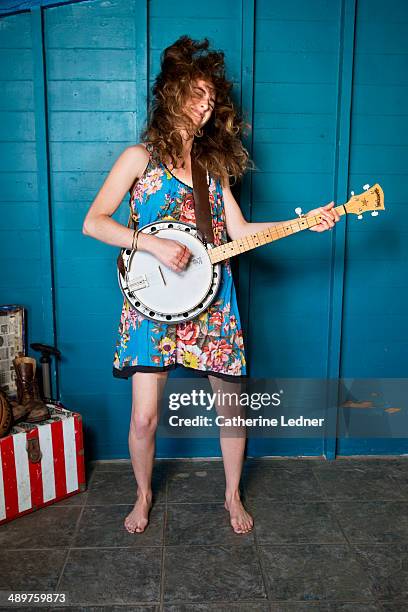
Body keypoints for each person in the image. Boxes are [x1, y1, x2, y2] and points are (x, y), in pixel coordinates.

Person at [82, 36, 340, 535]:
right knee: (143, 420)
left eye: (211, 100)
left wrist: (303, 223)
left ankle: (231, 494)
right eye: (197, 95)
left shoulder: (211, 170)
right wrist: (152, 246)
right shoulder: (138, 158)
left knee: (232, 408)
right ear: (174, 95)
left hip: (212, 303)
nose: (205, 106)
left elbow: (240, 234)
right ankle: (142, 493)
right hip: (151, 305)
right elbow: (94, 223)